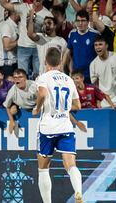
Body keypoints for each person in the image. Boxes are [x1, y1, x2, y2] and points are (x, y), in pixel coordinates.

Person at [32, 47, 83, 203]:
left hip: (48, 127)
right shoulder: (68, 79)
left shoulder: (43, 77)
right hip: (65, 126)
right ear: (61, 62)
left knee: (43, 168)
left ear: (46, 62)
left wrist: (37, 108)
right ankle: (78, 192)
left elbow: (42, 94)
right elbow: (78, 106)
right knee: (70, 164)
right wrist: (65, 107)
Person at [89, 35, 116, 108]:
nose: (98, 47)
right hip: (105, 102)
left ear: (107, 46)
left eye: (100, 44)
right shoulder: (93, 64)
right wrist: (98, 100)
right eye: (95, 45)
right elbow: (95, 85)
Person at [3, 69, 37, 134]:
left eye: (20, 77)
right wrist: (11, 120)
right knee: (12, 110)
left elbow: (42, 97)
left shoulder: (34, 85)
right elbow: (7, 106)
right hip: (23, 108)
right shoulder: (12, 91)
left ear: (25, 78)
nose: (17, 79)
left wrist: (38, 108)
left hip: (37, 108)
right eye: (15, 77)